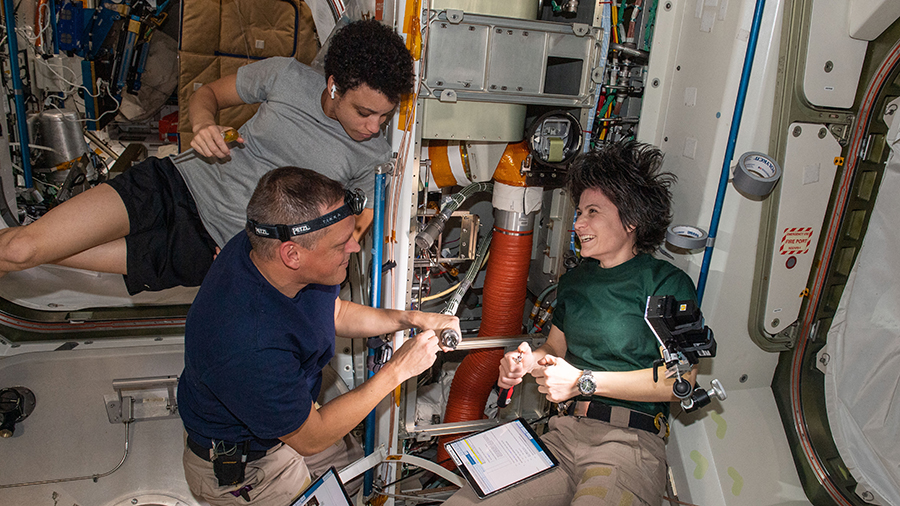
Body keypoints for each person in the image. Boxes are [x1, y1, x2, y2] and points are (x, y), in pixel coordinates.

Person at [0, 19, 413, 294]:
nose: (374, 127)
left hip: (207, 248)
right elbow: (207, 94)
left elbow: (346, 236)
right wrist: (203, 125)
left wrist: (256, 267)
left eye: (385, 115)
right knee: (21, 249)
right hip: (172, 186)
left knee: (24, 255)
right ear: (335, 85)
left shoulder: (373, 155)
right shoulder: (287, 77)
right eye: (364, 112)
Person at [178, 166, 460, 506]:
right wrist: (399, 369)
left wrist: (409, 318)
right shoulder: (246, 342)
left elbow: (335, 312)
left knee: (354, 472)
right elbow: (311, 438)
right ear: (292, 255)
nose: (355, 247)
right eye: (342, 243)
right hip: (253, 469)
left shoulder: (261, 246)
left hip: (289, 422)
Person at [443, 140, 698, 506]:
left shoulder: (665, 283)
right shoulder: (577, 281)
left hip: (628, 444)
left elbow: (682, 382)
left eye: (592, 212)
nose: (578, 224)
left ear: (631, 219)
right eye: (578, 213)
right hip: (563, 436)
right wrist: (527, 361)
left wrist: (583, 382)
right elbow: (555, 349)